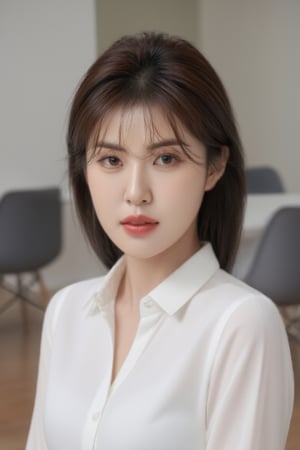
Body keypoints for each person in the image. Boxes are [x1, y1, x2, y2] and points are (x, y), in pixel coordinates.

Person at [26, 32, 294, 450]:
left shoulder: (242, 324)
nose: (136, 192)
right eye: (111, 160)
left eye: (165, 159)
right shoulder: (65, 313)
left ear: (214, 166)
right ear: (84, 169)